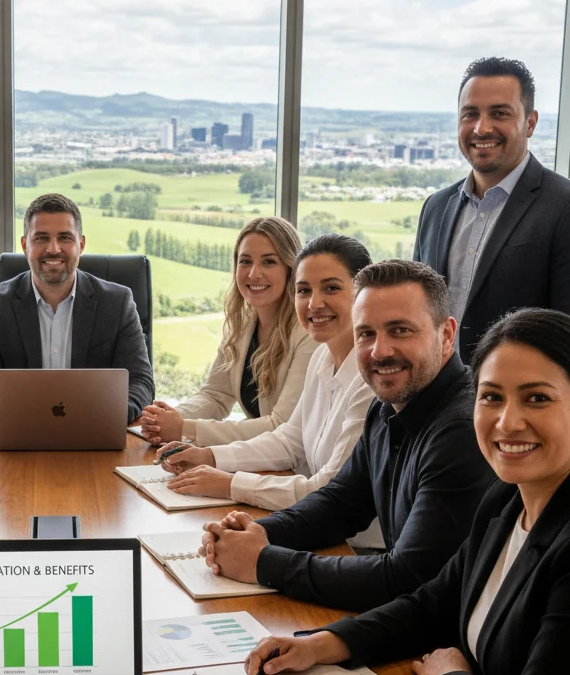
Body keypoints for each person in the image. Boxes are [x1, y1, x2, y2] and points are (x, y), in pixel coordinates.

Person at [243, 308, 570, 675]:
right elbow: (431, 603)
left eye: (537, 398)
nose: (508, 421)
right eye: (492, 397)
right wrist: (324, 644)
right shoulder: (505, 503)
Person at [201, 259, 495, 612]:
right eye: (366, 333)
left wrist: (262, 562)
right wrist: (260, 532)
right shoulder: (388, 405)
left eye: (400, 330)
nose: (379, 351)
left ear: (446, 335)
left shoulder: (461, 431)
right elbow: (341, 503)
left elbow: (405, 578)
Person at [160, 235, 383, 549]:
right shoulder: (323, 356)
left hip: (357, 548)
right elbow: (289, 439)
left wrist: (231, 484)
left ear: (362, 294)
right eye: (304, 290)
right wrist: (210, 456)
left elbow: (328, 490)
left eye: (331, 288)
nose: (314, 303)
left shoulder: (372, 380)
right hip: (318, 531)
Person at [413, 56, 570, 362]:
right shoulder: (435, 207)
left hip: (516, 400)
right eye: (470, 114)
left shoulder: (564, 207)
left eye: (499, 113)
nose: (482, 128)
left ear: (530, 122)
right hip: (438, 402)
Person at [0, 192, 154, 424]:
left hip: (96, 435)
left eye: (65, 238)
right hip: (18, 437)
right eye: (41, 238)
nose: (53, 249)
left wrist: (107, 417)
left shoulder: (118, 302)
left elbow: (140, 382)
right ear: (24, 245)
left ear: (80, 245)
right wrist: (7, 420)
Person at [138, 216, 316, 447]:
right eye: (245, 261)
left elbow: (280, 425)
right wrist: (167, 418)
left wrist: (184, 428)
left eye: (269, 262)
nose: (254, 273)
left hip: (295, 468)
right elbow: (215, 396)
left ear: (291, 269)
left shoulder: (308, 333)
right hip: (259, 458)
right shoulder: (243, 323)